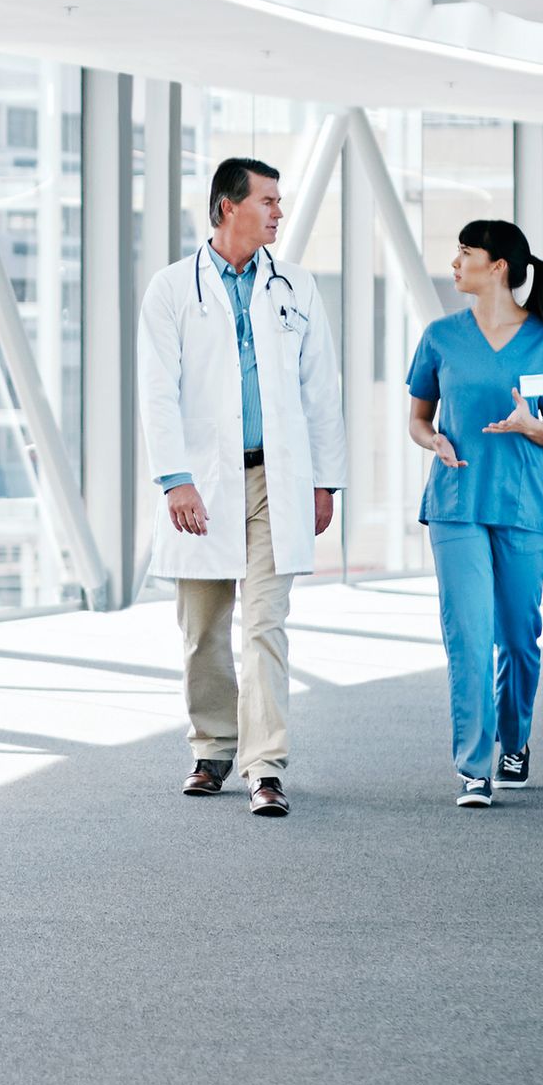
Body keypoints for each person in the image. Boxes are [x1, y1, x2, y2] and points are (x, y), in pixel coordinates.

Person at [138, 154, 344, 817]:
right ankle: (212, 749)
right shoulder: (172, 289)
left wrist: (325, 481)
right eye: (268, 201)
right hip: (201, 481)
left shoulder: (295, 286)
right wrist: (176, 480)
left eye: (280, 202)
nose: (278, 212)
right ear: (228, 207)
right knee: (202, 628)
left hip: (274, 480)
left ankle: (266, 765)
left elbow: (322, 391)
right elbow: (157, 393)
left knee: (265, 626)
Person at [403, 219, 543, 808]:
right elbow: (418, 419)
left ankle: (515, 741)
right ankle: (474, 766)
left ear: (498, 266)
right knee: (469, 634)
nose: (454, 262)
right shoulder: (440, 337)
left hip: (521, 507)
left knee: (518, 637)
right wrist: (433, 441)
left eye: (465, 252)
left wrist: (530, 425)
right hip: (457, 504)